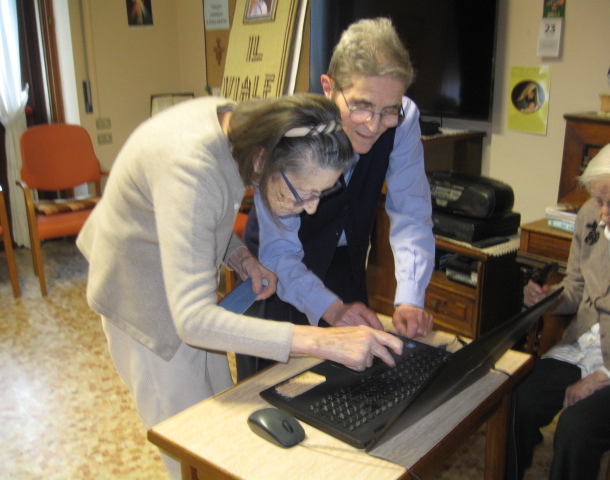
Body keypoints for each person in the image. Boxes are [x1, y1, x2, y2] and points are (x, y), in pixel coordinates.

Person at [76, 93, 404, 480]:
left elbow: (201, 217)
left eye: (321, 193)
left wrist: (240, 256)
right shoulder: (191, 168)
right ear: (263, 160)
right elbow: (193, 321)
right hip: (139, 294)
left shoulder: (240, 131)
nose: (312, 208)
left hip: (180, 277)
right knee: (191, 445)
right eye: (304, 193)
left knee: (222, 415)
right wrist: (321, 341)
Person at [237, 17, 436, 380]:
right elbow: (279, 253)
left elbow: (411, 212)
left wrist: (410, 295)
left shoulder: (402, 120)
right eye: (361, 106)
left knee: (352, 381)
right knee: (272, 386)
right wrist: (329, 308)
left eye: (388, 110)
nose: (374, 125)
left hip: (345, 265)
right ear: (328, 88)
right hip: (274, 271)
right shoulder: (291, 131)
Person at [506, 136, 610, 480]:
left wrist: (605, 375)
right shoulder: (590, 216)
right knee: (517, 398)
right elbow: (576, 288)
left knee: (576, 428)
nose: (604, 214)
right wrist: (547, 298)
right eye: (599, 199)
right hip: (582, 345)